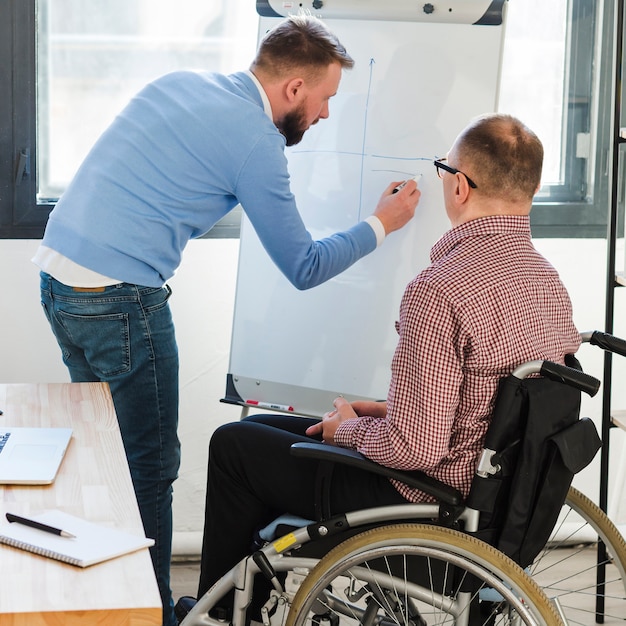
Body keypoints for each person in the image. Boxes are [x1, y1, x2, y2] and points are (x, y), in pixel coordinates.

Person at [33, 15, 419, 626]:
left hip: (58, 283)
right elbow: (304, 265)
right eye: (324, 100)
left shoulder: (181, 83)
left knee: (110, 458)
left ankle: (113, 601)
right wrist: (381, 225)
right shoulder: (255, 142)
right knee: (151, 465)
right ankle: (153, 615)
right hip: (118, 301)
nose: (323, 117)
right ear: (294, 88)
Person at [192, 113, 581, 614]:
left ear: (459, 186)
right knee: (271, 429)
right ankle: (247, 600)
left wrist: (346, 432)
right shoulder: (547, 282)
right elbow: (483, 407)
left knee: (235, 445)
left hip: (427, 504)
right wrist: (381, 410)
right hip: (498, 502)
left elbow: (414, 448)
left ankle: (220, 614)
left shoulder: (440, 289)